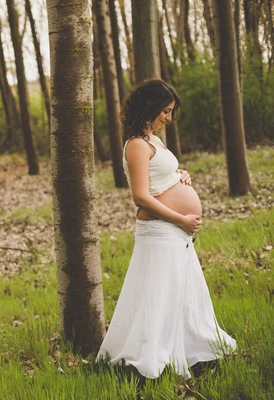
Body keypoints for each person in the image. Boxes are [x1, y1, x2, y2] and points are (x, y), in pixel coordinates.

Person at [95, 78, 237, 379]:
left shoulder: (154, 142)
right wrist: (180, 218)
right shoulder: (135, 145)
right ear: (150, 107)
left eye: (171, 112)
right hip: (161, 230)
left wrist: (180, 173)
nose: (169, 118)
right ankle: (149, 359)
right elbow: (141, 196)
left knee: (178, 292)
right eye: (166, 111)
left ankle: (188, 350)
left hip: (173, 231)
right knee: (157, 296)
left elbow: (161, 175)